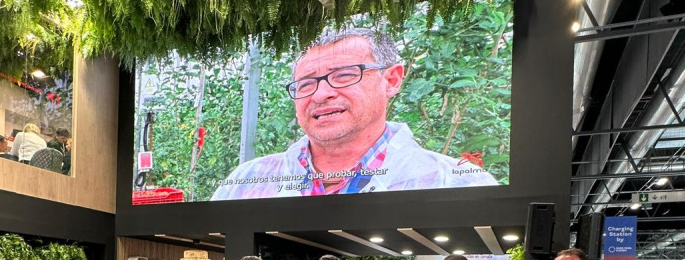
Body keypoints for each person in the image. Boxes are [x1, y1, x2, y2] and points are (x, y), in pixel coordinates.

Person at [210, 28, 497, 200]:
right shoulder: (247, 180)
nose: (321, 94)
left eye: (345, 75)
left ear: (392, 79)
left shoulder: (458, 181)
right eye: (307, 83)